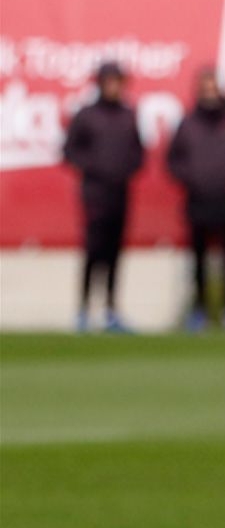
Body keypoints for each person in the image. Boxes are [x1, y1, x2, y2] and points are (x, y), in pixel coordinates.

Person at [167, 68, 225, 333]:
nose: (209, 93)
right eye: (205, 88)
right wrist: (191, 178)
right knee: (198, 260)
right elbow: (173, 159)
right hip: (197, 201)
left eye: (213, 88)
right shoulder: (188, 123)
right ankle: (200, 310)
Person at [62, 61, 143, 333]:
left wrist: (124, 169)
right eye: (109, 81)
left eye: (117, 81)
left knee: (115, 252)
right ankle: (84, 309)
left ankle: (111, 310)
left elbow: (138, 152)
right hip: (95, 194)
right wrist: (96, 168)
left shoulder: (128, 115)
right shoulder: (86, 115)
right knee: (93, 250)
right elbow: (70, 151)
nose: (113, 87)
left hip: (120, 193)